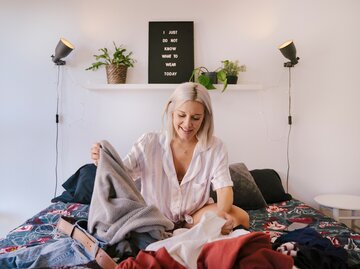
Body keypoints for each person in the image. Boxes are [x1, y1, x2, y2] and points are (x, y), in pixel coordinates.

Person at [91, 82, 249, 235]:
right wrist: (102, 161)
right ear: (171, 111)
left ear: (205, 118)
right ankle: (187, 233)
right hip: (154, 218)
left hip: (193, 218)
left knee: (241, 217)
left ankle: (189, 231)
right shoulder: (149, 142)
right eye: (181, 115)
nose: (187, 124)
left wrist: (221, 216)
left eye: (195, 118)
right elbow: (122, 174)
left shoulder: (215, 147)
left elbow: (224, 189)